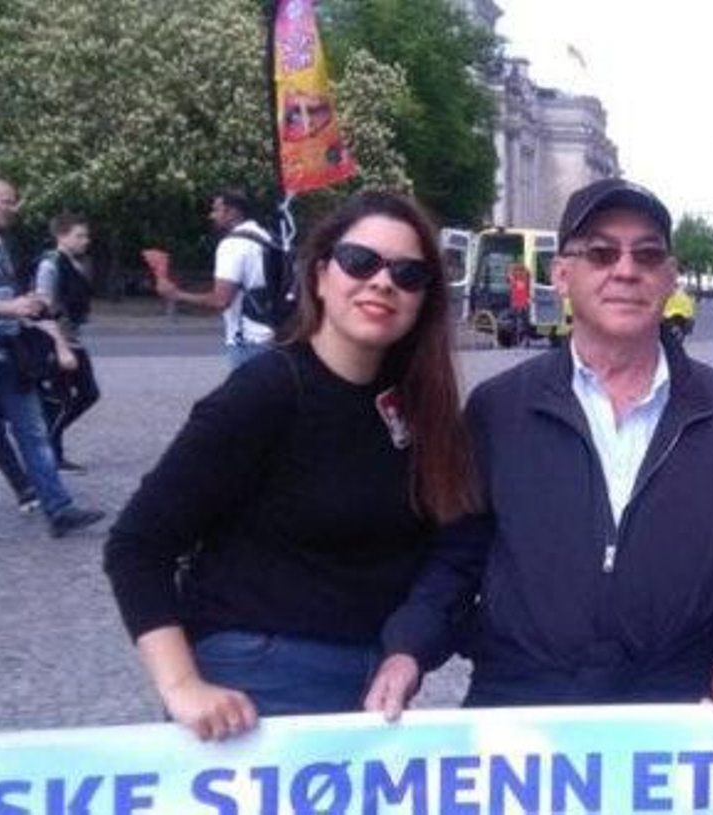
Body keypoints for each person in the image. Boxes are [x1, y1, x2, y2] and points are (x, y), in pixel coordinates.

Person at [364, 179, 713, 722]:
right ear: (561, 275)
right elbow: (457, 557)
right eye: (600, 253)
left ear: (670, 278)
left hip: (677, 715)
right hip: (522, 708)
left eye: (648, 255)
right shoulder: (499, 409)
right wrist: (408, 649)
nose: (626, 270)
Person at [104, 192, 478, 741]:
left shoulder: (418, 405)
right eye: (360, 262)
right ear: (321, 276)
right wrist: (181, 685)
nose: (382, 282)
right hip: (257, 679)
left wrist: (408, 649)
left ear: (425, 297)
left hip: (372, 685)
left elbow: (451, 543)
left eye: (408, 273)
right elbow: (137, 544)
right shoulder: (267, 389)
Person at [0, 170, 105, 536]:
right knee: (4, 432)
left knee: (33, 433)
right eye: (7, 201)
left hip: (8, 355)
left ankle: (59, 510)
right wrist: (9, 308)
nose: (14, 208)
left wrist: (28, 304)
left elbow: (9, 296)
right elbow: (4, 304)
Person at [154, 191, 276, 367]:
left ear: (233, 213)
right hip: (274, 335)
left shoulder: (233, 245)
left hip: (249, 341)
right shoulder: (266, 237)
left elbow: (220, 301)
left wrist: (176, 294)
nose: (212, 216)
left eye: (216, 210)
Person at [33, 212, 100, 470]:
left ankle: (50, 449)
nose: (86, 240)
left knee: (83, 395)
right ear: (61, 236)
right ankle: (48, 451)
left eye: (86, 235)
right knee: (63, 399)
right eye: (79, 235)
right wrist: (59, 344)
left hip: (72, 339)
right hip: (55, 341)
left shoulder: (77, 262)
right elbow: (43, 306)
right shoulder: (50, 265)